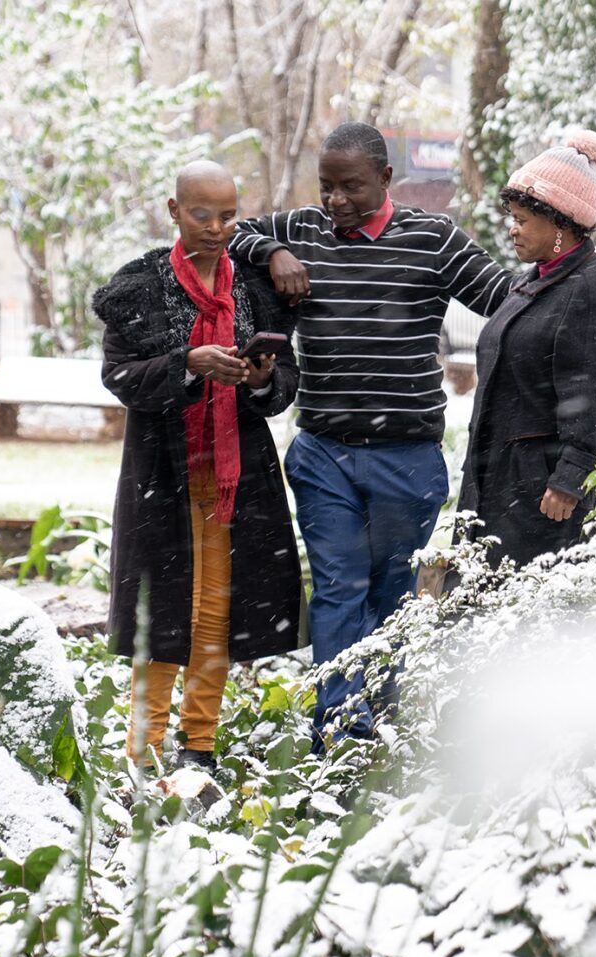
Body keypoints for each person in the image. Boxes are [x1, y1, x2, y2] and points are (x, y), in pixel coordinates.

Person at [227, 122, 515, 748]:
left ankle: (373, 711)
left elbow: (506, 298)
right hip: (323, 450)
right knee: (337, 586)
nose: (336, 201)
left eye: (352, 187)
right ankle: (338, 730)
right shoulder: (299, 231)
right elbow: (228, 230)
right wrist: (272, 254)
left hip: (405, 456)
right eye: (327, 187)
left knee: (389, 593)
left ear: (386, 179)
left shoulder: (432, 240)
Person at [96, 161, 303, 775]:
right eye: (201, 214)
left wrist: (261, 379)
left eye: (228, 214)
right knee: (160, 611)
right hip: (164, 472)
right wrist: (188, 363)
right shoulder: (139, 286)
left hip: (237, 472)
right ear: (173, 210)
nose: (216, 228)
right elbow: (120, 376)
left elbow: (283, 382)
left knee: (218, 607)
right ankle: (144, 746)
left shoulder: (256, 289)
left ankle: (199, 745)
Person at [457, 131, 596, 568]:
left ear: (560, 223)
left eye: (522, 219)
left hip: (550, 498)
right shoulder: (533, 281)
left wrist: (570, 478)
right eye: (512, 215)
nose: (511, 227)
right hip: (506, 482)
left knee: (545, 623)